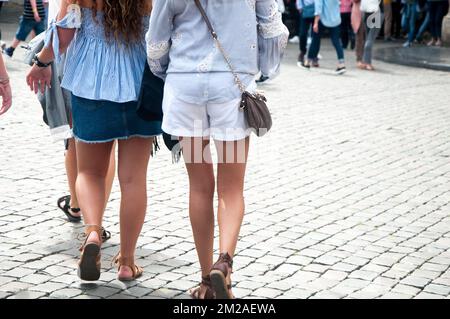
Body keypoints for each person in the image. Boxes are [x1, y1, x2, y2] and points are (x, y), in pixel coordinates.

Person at [147, 0, 288, 299]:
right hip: (231, 94)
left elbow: (156, 42)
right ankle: (224, 262)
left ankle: (205, 282)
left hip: (187, 95)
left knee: (199, 187)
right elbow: (273, 31)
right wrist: (259, 69)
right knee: (231, 190)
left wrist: (166, 74)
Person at [27, 0, 161, 282]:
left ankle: (92, 235)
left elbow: (63, 37)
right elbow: (161, 36)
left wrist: (42, 62)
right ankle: (127, 262)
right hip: (140, 83)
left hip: (90, 82)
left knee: (89, 172)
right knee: (134, 179)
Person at [42, 0, 116, 233]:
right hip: (122, 64)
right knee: (108, 147)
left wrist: (41, 61)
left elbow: (63, 29)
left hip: (78, 62)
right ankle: (94, 220)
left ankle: (80, 208)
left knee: (77, 138)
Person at [304, 0, 347, 74]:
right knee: (336, 41)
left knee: (315, 39)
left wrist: (316, 22)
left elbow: (318, 6)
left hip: (323, 19)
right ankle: (341, 63)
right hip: (335, 18)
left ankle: (308, 61)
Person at [359, 0, 385, 70]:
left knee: (368, 37)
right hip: (377, 13)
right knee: (370, 38)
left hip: (366, 12)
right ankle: (367, 63)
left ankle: (364, 61)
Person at [297, 0, 317, 67]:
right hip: (305, 10)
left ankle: (314, 55)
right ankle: (302, 51)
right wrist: (299, 7)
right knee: (302, 34)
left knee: (315, 35)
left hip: (316, 10)